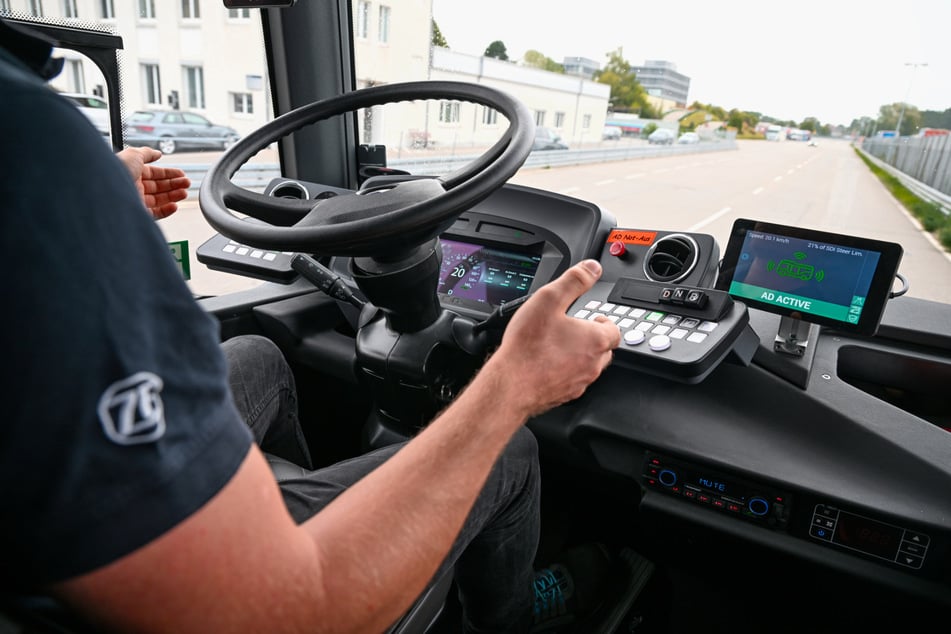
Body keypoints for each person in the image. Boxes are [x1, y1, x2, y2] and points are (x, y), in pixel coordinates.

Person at [0, 17, 622, 634]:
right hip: (251, 598)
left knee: (258, 357)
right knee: (509, 448)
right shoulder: (32, 137)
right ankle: (498, 617)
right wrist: (513, 383)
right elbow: (282, 608)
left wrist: (100, 191)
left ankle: (318, 497)